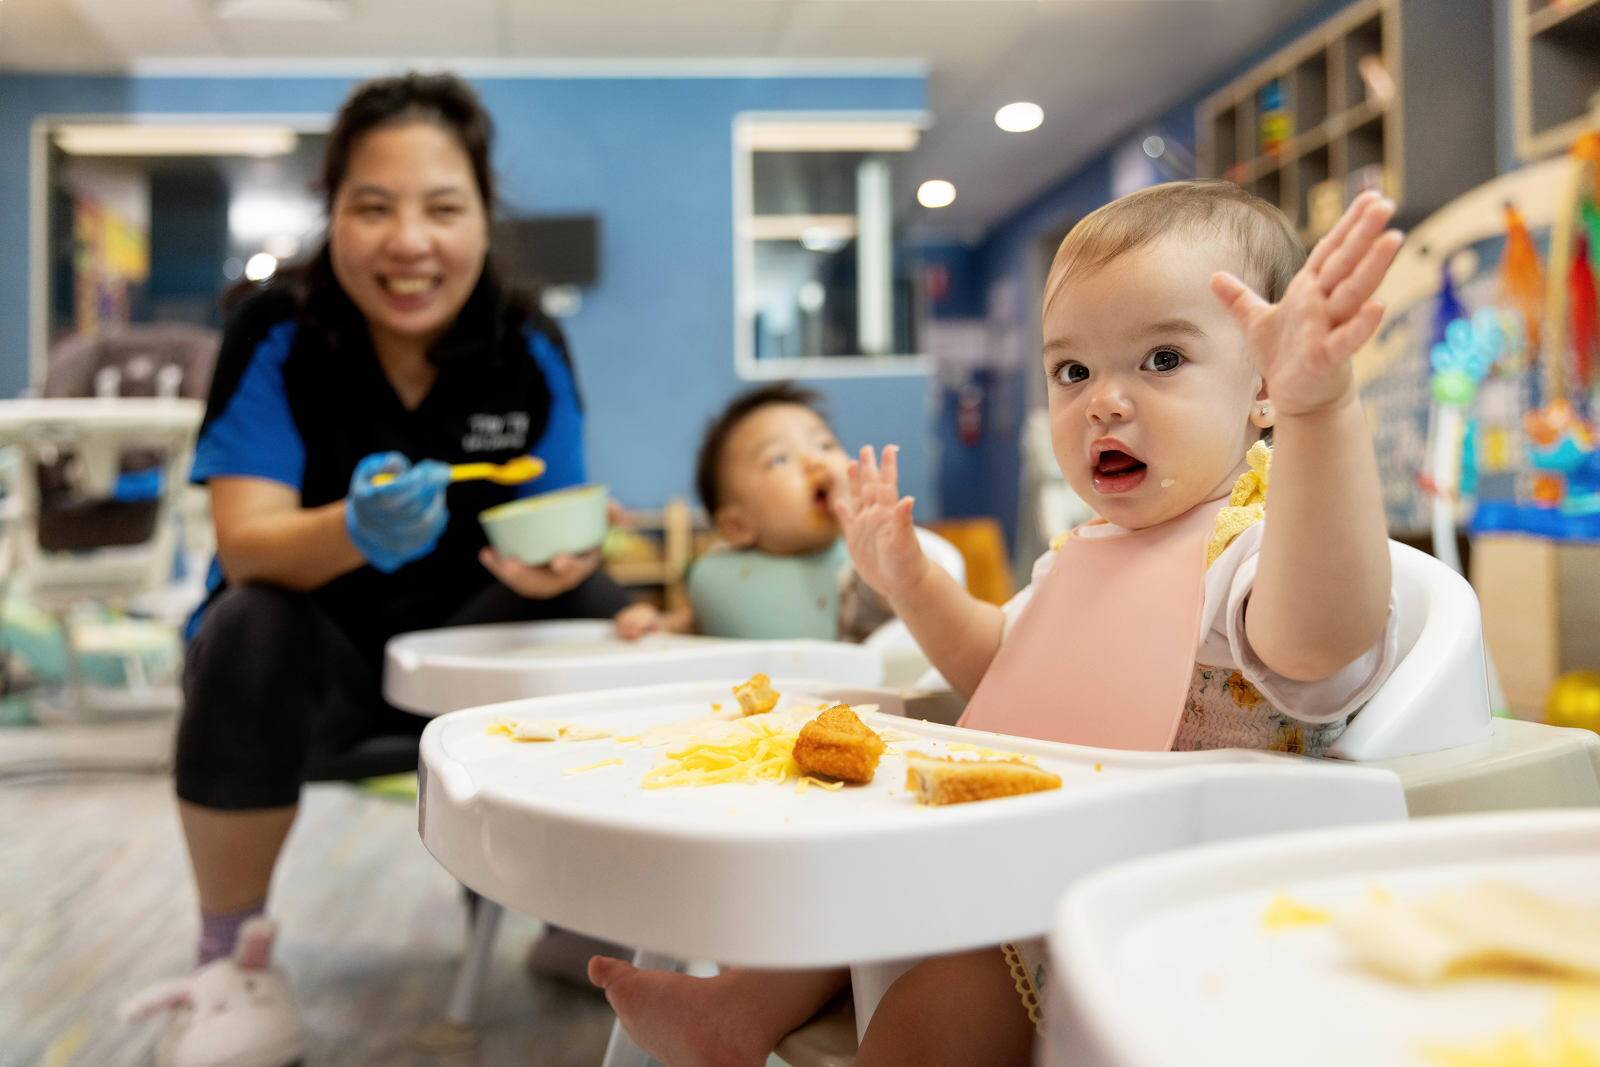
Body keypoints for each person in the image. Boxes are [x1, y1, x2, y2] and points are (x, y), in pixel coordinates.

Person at [587, 182, 1406, 1065]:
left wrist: (1323, 411)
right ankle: (739, 1007)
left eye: (1162, 359)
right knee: (855, 869)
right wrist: (907, 579)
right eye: (1073, 371)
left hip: (1166, 893)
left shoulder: (1255, 550)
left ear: (1264, 387)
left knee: (935, 1012)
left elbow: (1319, 637)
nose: (1105, 401)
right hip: (1042, 850)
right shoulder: (1083, 555)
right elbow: (1000, 671)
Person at [136, 73, 638, 1066]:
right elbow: (246, 542)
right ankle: (227, 961)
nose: (409, 242)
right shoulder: (278, 330)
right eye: (374, 207)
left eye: (442, 208)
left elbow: (563, 516)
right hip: (313, 669)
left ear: (483, 217)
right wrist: (355, 529)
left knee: (596, 606)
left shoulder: (526, 342)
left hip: (466, 661)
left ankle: (577, 909)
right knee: (246, 623)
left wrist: (564, 563)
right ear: (334, 215)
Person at [614, 382, 905, 644]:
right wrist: (658, 625)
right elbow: (713, 622)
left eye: (825, 445)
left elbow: (907, 604)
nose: (814, 461)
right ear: (737, 526)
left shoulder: (866, 564)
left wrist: (872, 536)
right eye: (779, 459)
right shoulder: (726, 578)